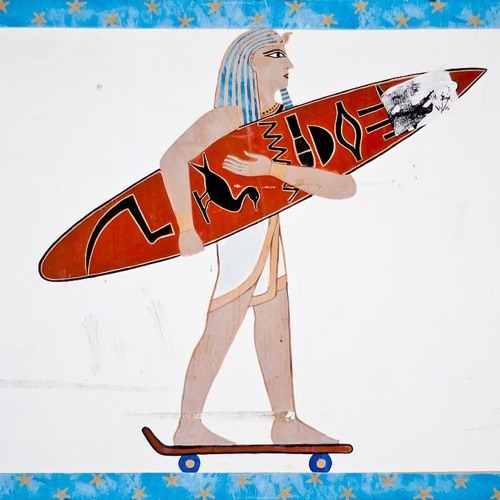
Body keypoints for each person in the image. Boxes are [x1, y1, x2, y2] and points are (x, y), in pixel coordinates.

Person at [159, 28, 356, 446]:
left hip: (269, 236)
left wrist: (273, 170)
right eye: (277, 55)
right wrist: (186, 227)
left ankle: (285, 420)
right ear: (252, 63)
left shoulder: (286, 122)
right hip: (239, 239)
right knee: (220, 330)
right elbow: (173, 160)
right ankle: (188, 425)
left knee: (275, 327)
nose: (289, 65)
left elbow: (343, 185)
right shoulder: (226, 119)